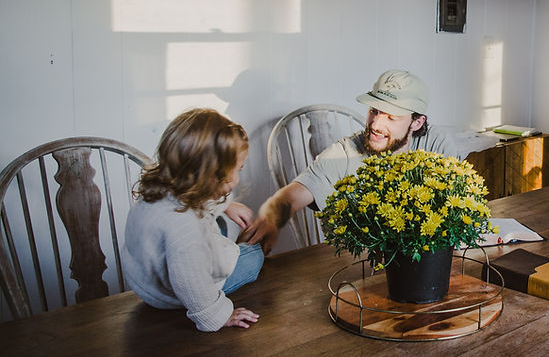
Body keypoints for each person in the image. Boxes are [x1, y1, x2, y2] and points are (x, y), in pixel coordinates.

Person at [241, 69, 462, 253]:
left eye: (391, 117)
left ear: (416, 123)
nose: (375, 125)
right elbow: (294, 193)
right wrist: (270, 217)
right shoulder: (345, 153)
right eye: (374, 111)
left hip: (426, 256)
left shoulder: (437, 144)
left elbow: (458, 207)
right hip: (364, 264)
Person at [122, 108, 264, 332]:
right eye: (238, 169)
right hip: (171, 294)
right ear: (212, 174)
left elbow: (197, 200)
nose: (238, 176)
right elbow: (192, 282)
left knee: (216, 225)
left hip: (147, 281)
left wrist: (227, 205)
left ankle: (223, 250)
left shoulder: (162, 190)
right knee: (254, 256)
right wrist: (218, 315)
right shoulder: (184, 227)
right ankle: (234, 252)